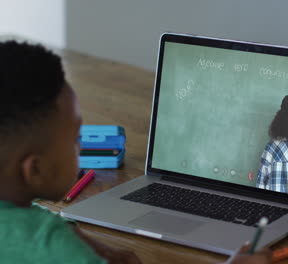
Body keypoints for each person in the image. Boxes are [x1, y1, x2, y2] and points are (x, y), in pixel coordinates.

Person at [0, 41, 271, 264]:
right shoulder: (53, 249)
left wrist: (80, 238)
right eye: (74, 138)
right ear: (34, 170)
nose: (80, 146)